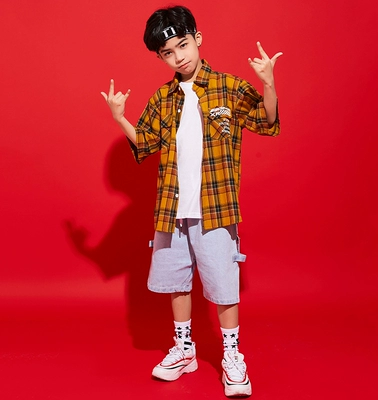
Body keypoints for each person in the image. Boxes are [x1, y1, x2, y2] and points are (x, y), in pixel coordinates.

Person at [101, 5, 282, 397]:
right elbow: (145, 143)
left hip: (215, 209)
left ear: (197, 39)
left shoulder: (228, 87)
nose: (178, 57)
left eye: (183, 45)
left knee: (223, 283)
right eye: (167, 52)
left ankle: (232, 355)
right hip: (172, 211)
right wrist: (120, 118)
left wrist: (268, 83)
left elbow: (266, 122)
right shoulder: (163, 98)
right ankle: (185, 350)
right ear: (161, 57)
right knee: (177, 282)